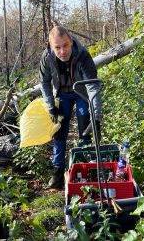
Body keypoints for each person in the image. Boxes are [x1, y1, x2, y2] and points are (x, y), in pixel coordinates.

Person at [39, 26, 101, 189]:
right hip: (62, 94)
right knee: (59, 131)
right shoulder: (47, 57)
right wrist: (51, 106)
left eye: (65, 45)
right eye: (57, 47)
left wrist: (96, 116)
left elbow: (92, 86)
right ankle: (57, 172)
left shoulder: (82, 55)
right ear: (51, 47)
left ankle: (82, 170)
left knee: (84, 129)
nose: (62, 51)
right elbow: (44, 82)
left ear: (71, 43)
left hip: (81, 93)